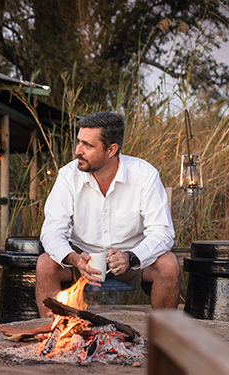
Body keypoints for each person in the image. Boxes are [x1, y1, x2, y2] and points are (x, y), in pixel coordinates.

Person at [36, 111, 180, 317]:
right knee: (45, 264)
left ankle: (164, 332)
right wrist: (74, 258)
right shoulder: (68, 176)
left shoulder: (144, 175)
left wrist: (131, 257)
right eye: (79, 142)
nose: (78, 151)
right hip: (82, 256)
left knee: (168, 264)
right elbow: (51, 232)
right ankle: (55, 333)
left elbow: (162, 232)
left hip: (131, 258)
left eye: (88, 145)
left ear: (111, 150)